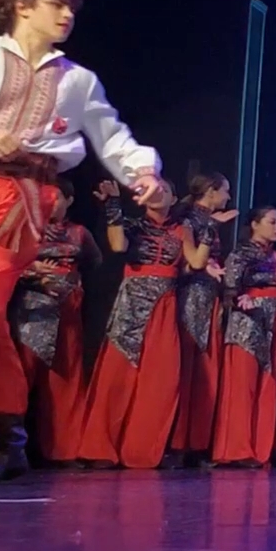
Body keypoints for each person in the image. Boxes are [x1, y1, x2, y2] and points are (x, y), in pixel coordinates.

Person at [0, 0, 163, 484]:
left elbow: (112, 136)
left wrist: (143, 173)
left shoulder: (77, 80)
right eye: (56, 4)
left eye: (71, 8)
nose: (67, 15)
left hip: (20, 199)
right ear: (21, 4)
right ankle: (7, 439)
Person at [83, 179, 206, 470]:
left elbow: (195, 262)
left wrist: (209, 233)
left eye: (164, 189)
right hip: (132, 304)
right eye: (151, 189)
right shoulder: (134, 226)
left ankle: (141, 450)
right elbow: (117, 245)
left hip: (165, 304)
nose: (156, 192)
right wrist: (113, 204)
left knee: (161, 379)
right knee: (117, 374)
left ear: (173, 198)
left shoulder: (182, 229)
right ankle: (101, 449)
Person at [210, 207, 276, 467]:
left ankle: (258, 450)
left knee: (267, 387)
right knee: (242, 388)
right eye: (272, 222)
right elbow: (229, 291)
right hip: (246, 325)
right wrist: (240, 299)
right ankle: (236, 450)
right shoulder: (240, 254)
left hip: (273, 326)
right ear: (255, 224)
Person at [9, 179, 101, 464]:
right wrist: (34, 274)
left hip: (67, 310)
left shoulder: (79, 233)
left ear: (69, 200)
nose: (50, 202)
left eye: (56, 197)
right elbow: (5, 262)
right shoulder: (25, 230)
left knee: (66, 378)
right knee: (20, 377)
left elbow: (94, 262)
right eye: (44, 196)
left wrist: (70, 280)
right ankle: (5, 448)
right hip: (30, 309)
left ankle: (65, 450)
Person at [168, 172, 232, 465]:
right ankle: (178, 444)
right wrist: (206, 266)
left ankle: (197, 443)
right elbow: (190, 260)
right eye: (225, 191)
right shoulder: (188, 220)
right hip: (191, 297)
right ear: (211, 191)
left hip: (209, 297)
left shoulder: (207, 220)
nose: (228, 197)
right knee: (188, 368)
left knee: (205, 369)